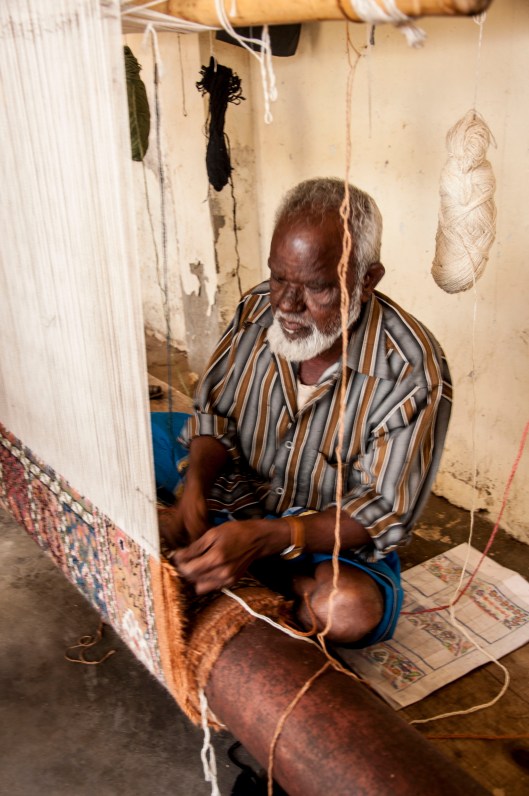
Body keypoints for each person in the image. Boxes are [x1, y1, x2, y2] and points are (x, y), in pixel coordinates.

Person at [155, 178, 452, 646]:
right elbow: (216, 414)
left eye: (316, 288)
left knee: (346, 611)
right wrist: (195, 487)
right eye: (278, 277)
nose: (287, 305)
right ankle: (246, 555)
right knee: (123, 442)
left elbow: (383, 512)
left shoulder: (411, 370)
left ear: (367, 280)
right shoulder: (258, 307)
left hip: (321, 533)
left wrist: (271, 535)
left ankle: (266, 567)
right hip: (239, 486)